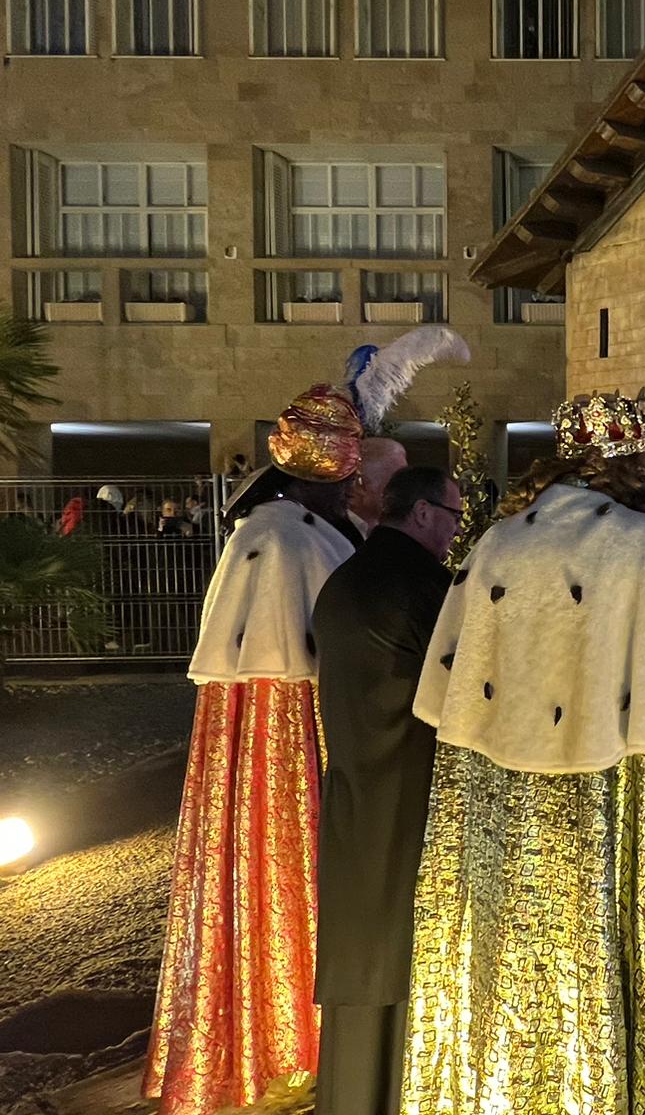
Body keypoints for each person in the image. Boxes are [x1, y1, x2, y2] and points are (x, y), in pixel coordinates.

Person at [402, 394, 645, 1114]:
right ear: (636, 466)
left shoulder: (496, 546)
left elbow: (454, 710)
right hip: (622, 806)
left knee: (516, 953)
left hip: (506, 813)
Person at [144, 386, 364, 1115]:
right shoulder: (282, 537)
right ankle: (286, 1040)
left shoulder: (278, 530)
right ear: (319, 481)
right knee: (281, 864)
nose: (352, 497)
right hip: (284, 728)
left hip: (279, 724)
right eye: (345, 485)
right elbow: (291, 660)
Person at [311, 466, 459, 1115]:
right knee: (400, 954)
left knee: (361, 949)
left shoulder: (347, 576)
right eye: (453, 517)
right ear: (423, 512)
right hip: (409, 795)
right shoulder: (422, 586)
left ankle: (350, 1091)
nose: (455, 532)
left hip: (354, 787)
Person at [347, 437, 408, 537]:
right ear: (361, 486)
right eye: (399, 482)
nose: (408, 490)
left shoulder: (391, 534)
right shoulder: (333, 535)